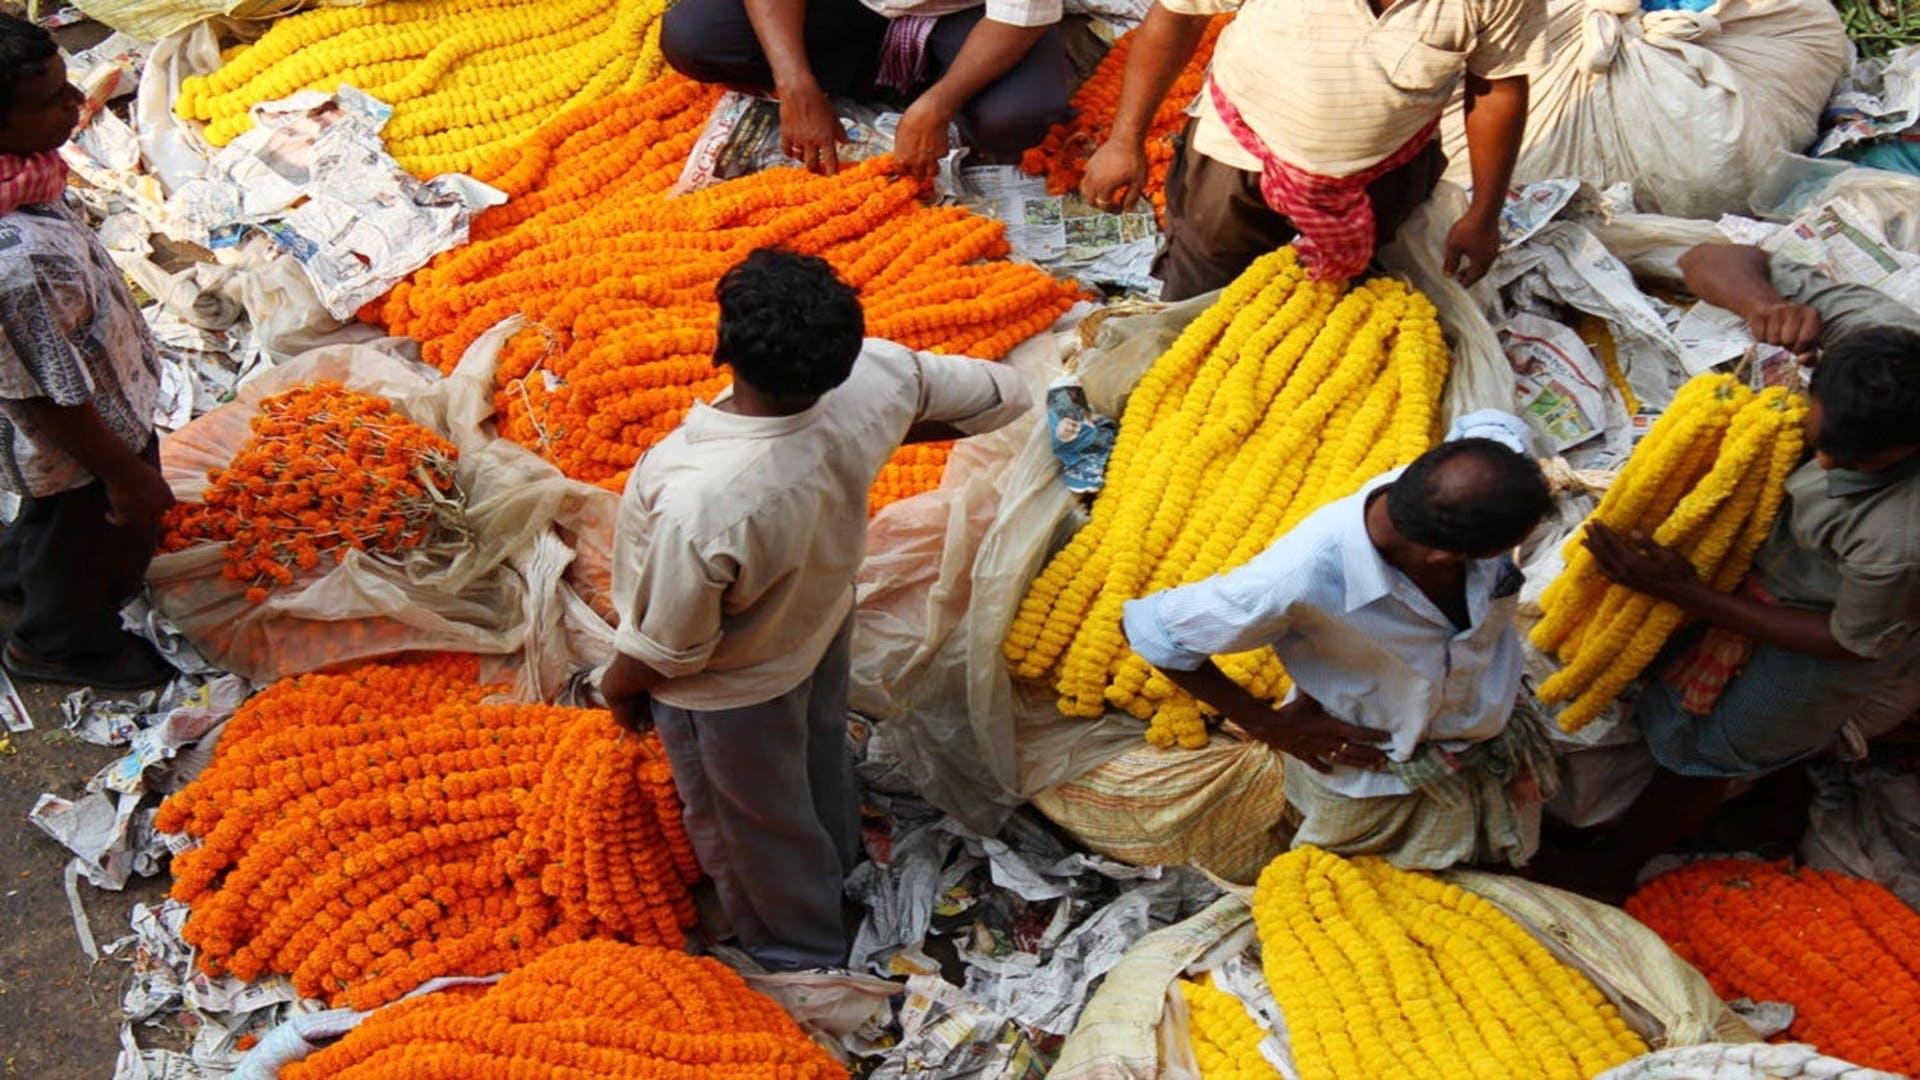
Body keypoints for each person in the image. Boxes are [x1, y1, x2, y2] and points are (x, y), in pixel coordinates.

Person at [598, 248, 1030, 969]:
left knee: (754, 824)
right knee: (817, 751)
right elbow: (1003, 396)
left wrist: (618, 692)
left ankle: (803, 946)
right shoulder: (880, 377)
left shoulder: (705, 498)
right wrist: (878, 435)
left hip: (733, 687)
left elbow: (671, 647)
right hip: (821, 622)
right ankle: (842, 859)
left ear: (720, 347)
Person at [1545, 243, 1920, 899]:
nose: (1826, 467)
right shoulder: (1880, 347)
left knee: (1710, 750)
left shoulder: (1901, 537)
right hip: (1760, 569)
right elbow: (1710, 257)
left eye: (1857, 464)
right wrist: (1766, 306)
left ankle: (1617, 866)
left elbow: (1848, 639)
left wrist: (1683, 592)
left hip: (1822, 630)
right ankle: (1772, 802)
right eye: (1822, 439)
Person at [1121, 413, 1557, 869]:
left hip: (1488, 735)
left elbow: (1492, 422)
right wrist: (1268, 726)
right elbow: (1152, 630)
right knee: (1371, 895)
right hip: (1376, 778)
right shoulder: (1297, 576)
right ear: (1444, 558)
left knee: (1491, 875)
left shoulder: (1479, 471)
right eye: (1504, 549)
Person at [1079, 0, 1545, 300]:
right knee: (1202, 299)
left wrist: (1484, 214)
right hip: (1236, 163)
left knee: (1341, 305)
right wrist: (1125, 139)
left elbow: (1497, 87)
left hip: (1380, 177)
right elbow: (1178, 15)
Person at [0, 15, 171, 691]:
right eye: (50, 101)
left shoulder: (26, 176)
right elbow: (44, 393)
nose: (77, 105)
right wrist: (126, 475)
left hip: (89, 408)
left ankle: (20, 572)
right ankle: (60, 644)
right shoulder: (13, 266)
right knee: (90, 531)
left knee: (55, 528)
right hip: (82, 440)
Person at [661, 0, 1070, 178]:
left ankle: (927, 88)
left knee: (1017, 117)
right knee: (694, 38)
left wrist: (938, 105)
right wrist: (796, 85)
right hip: (851, 7)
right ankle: (871, 73)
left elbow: (1021, 15)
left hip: (969, 15)